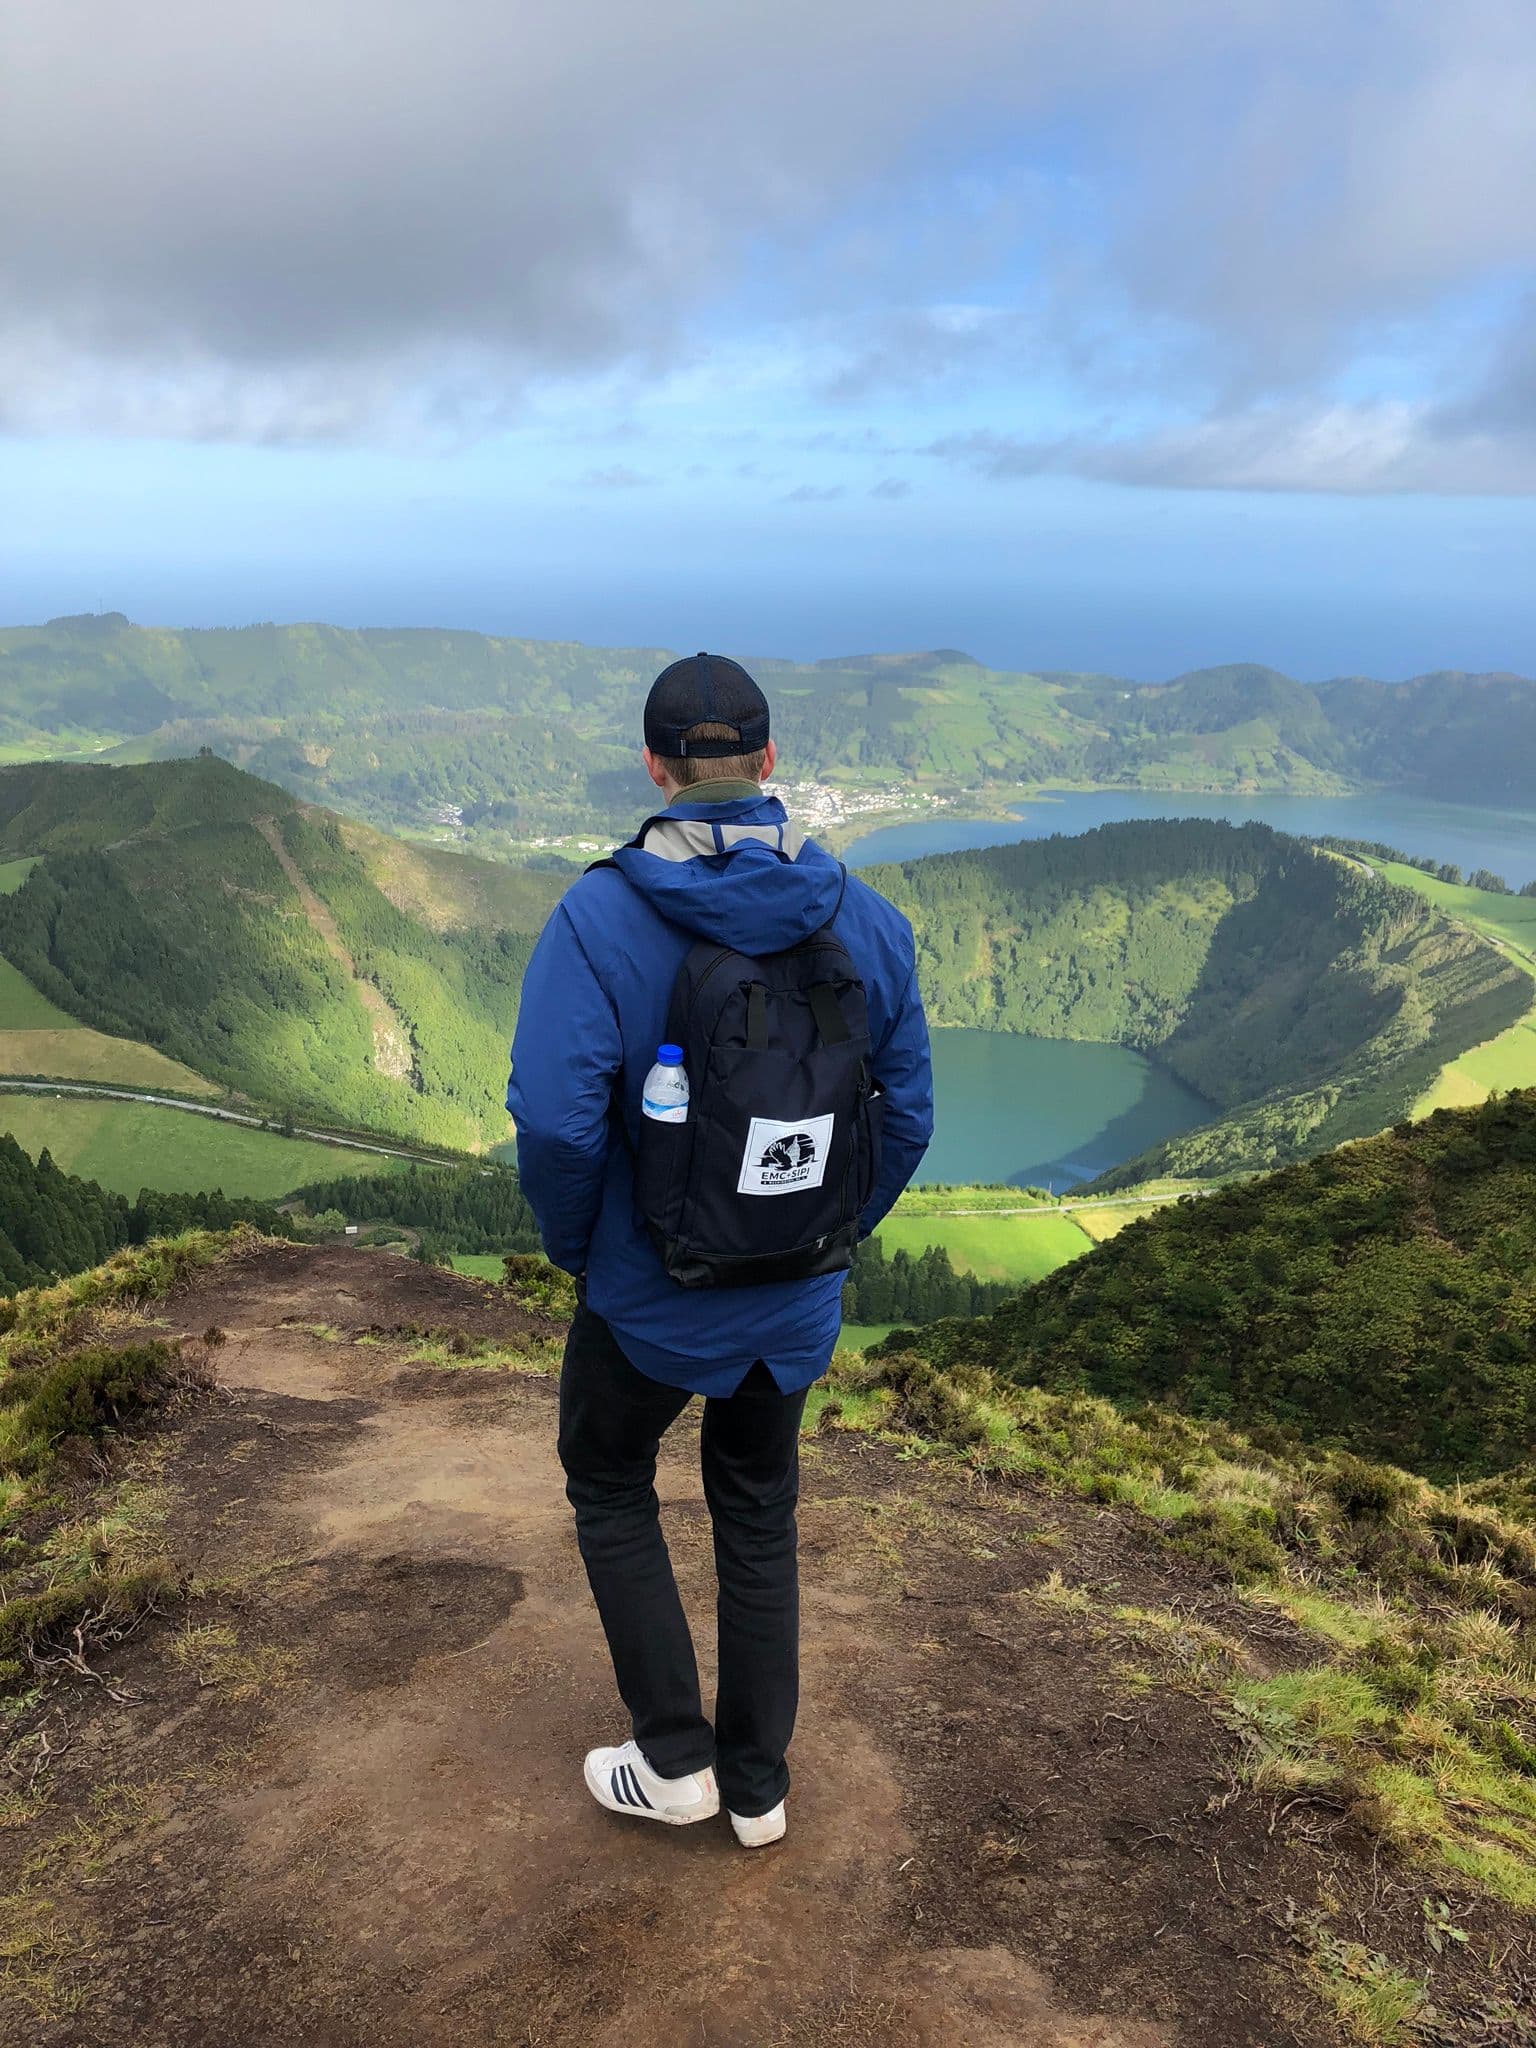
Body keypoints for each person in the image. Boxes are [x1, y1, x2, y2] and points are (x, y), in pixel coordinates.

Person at [507, 651, 932, 1848]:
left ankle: (672, 1754)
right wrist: (828, 1234)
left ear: (655, 767)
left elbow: (552, 1117)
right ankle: (756, 1786)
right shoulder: (866, 917)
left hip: (646, 1295)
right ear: (769, 761)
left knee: (607, 1476)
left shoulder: (601, 915)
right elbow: (908, 1115)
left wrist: (581, 1248)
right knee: (757, 1511)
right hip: (792, 1303)